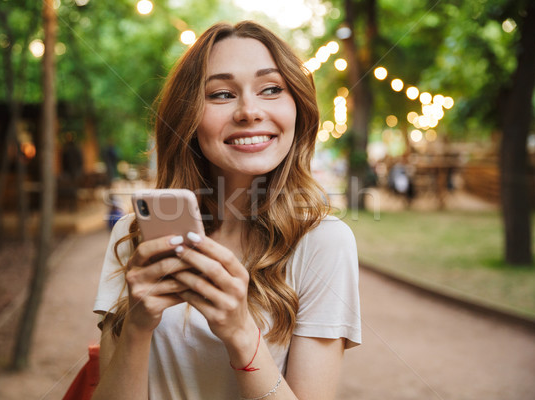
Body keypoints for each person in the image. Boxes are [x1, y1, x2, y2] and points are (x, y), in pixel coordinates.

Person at [92, 21, 361, 400]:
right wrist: (136, 326)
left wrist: (238, 331)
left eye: (271, 89)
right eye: (221, 94)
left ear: (297, 109)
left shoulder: (323, 243)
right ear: (188, 117)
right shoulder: (135, 236)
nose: (249, 111)